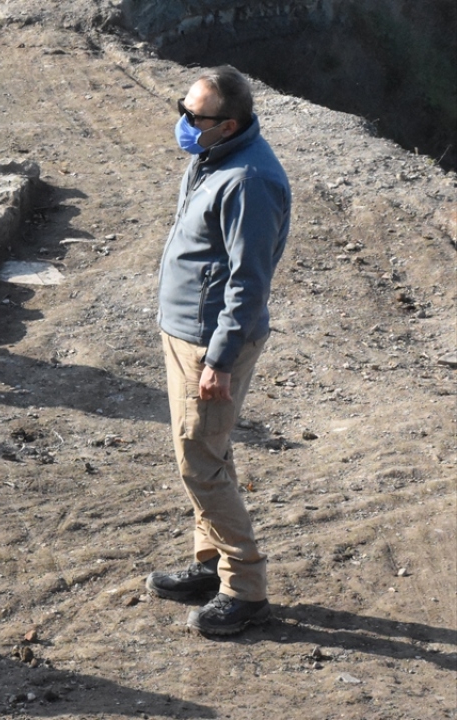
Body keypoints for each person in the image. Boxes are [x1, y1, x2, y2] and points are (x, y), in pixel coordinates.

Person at [146, 66, 291, 635]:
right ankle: (209, 566)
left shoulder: (248, 180)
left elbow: (248, 283)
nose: (182, 123)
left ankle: (245, 587)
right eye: (181, 108)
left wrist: (219, 361)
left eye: (193, 116)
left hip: (210, 343)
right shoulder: (211, 156)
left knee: (200, 461)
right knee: (208, 447)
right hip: (186, 332)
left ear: (227, 122)